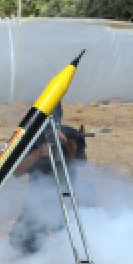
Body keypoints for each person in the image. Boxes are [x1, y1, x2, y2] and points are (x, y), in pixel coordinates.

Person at [9, 102, 90, 255]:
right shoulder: (30, 138)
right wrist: (37, 153)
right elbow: (16, 172)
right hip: (39, 199)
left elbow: (81, 162)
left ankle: (71, 255)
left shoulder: (70, 134)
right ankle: (31, 259)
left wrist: (67, 144)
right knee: (21, 241)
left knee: (84, 215)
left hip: (67, 195)